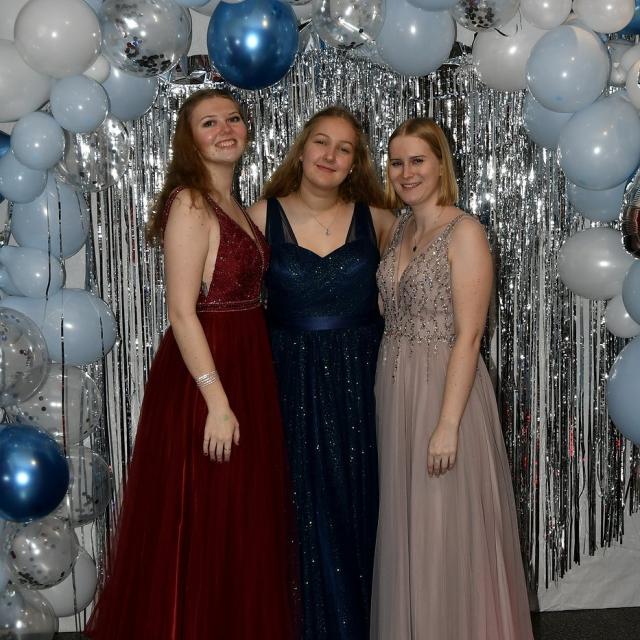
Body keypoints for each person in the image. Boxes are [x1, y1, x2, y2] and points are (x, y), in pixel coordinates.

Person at [85, 88, 298, 640]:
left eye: (233, 119)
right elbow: (181, 311)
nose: (225, 129)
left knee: (236, 517)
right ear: (190, 139)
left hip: (246, 361)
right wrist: (217, 402)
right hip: (207, 375)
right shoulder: (190, 203)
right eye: (209, 123)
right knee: (202, 513)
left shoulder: (233, 202)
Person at [370, 117, 533, 640]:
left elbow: (470, 334)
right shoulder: (399, 228)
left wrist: (447, 424)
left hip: (445, 390)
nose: (406, 172)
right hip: (396, 386)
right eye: (397, 162)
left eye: (418, 160)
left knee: (445, 522)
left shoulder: (464, 231)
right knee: (410, 523)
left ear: (442, 165)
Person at [249, 106, 394, 640]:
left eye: (344, 148)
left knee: (360, 500)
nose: (330, 155)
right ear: (302, 149)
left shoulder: (380, 220)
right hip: (288, 377)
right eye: (321, 142)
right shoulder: (259, 216)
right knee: (300, 507)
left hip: (363, 378)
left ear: (355, 163)